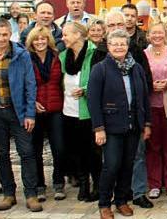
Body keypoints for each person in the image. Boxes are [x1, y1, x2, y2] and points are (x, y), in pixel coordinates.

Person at [0, 19, 42, 212]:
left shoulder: (20, 55)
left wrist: (30, 113)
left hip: (18, 111)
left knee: (27, 153)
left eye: (5, 34)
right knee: (2, 153)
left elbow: (30, 85)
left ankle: (31, 195)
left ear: (9, 35)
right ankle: (8, 194)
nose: (1, 38)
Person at [87, 30, 152, 219]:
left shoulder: (136, 68)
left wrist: (146, 123)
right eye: (114, 44)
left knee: (128, 165)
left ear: (128, 46)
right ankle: (104, 203)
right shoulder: (100, 69)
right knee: (112, 165)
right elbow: (92, 100)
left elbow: (143, 98)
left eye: (122, 44)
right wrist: (98, 128)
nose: (118, 47)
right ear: (108, 46)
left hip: (133, 125)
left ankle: (122, 201)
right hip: (110, 126)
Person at [61, 21, 106, 202]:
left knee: (93, 152)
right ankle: (83, 183)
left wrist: (85, 89)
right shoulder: (63, 56)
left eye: (66, 34)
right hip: (68, 111)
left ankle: (97, 184)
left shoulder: (96, 54)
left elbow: (102, 80)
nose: (63, 38)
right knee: (76, 151)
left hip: (88, 112)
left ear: (78, 35)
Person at [26, 26, 66, 201]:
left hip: (56, 109)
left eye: (43, 38)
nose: (40, 42)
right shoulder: (27, 59)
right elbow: (25, 84)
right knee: (36, 150)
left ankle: (59, 183)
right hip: (36, 109)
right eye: (36, 39)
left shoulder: (57, 58)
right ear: (31, 41)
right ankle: (40, 185)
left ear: (48, 40)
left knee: (59, 148)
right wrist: (32, 103)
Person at [143, 23, 167, 200]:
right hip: (150, 105)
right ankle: (155, 183)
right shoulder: (143, 54)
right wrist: (150, 85)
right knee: (153, 146)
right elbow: (140, 76)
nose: (157, 36)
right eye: (153, 33)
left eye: (160, 32)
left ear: (166, 34)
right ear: (148, 35)